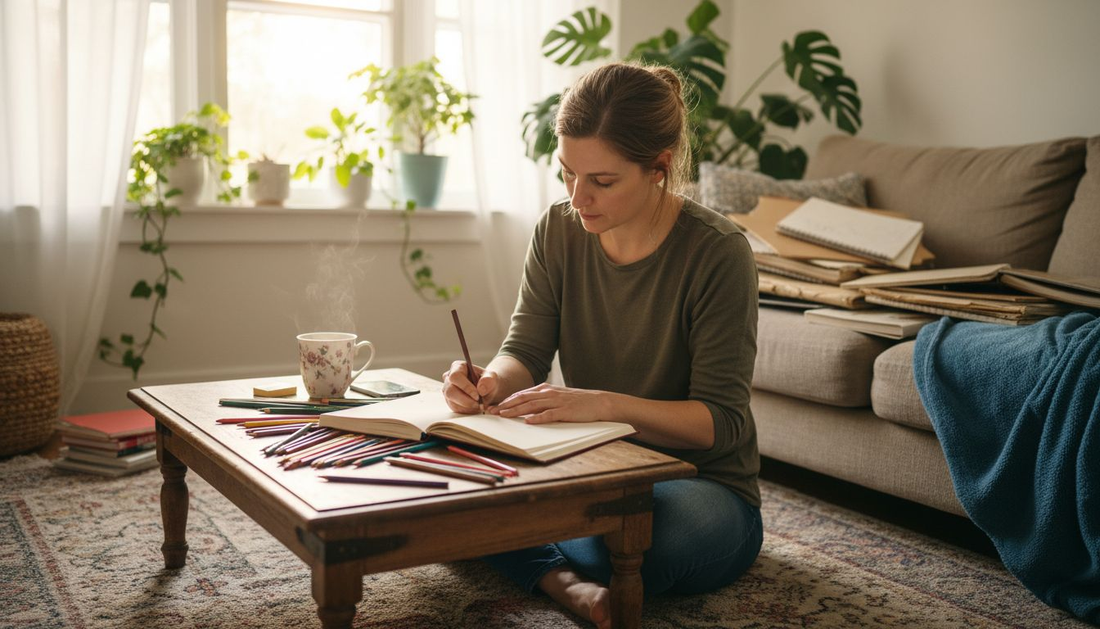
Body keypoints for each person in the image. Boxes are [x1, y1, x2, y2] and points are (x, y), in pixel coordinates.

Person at [442, 61, 761, 629]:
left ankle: (537, 550)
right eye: (566, 174)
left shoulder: (718, 253)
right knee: (441, 471)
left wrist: (605, 405)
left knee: (646, 533)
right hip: (593, 467)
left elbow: (721, 423)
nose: (578, 197)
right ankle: (570, 584)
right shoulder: (557, 229)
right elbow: (526, 349)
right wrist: (491, 381)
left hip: (698, 485)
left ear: (659, 168)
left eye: (602, 181)